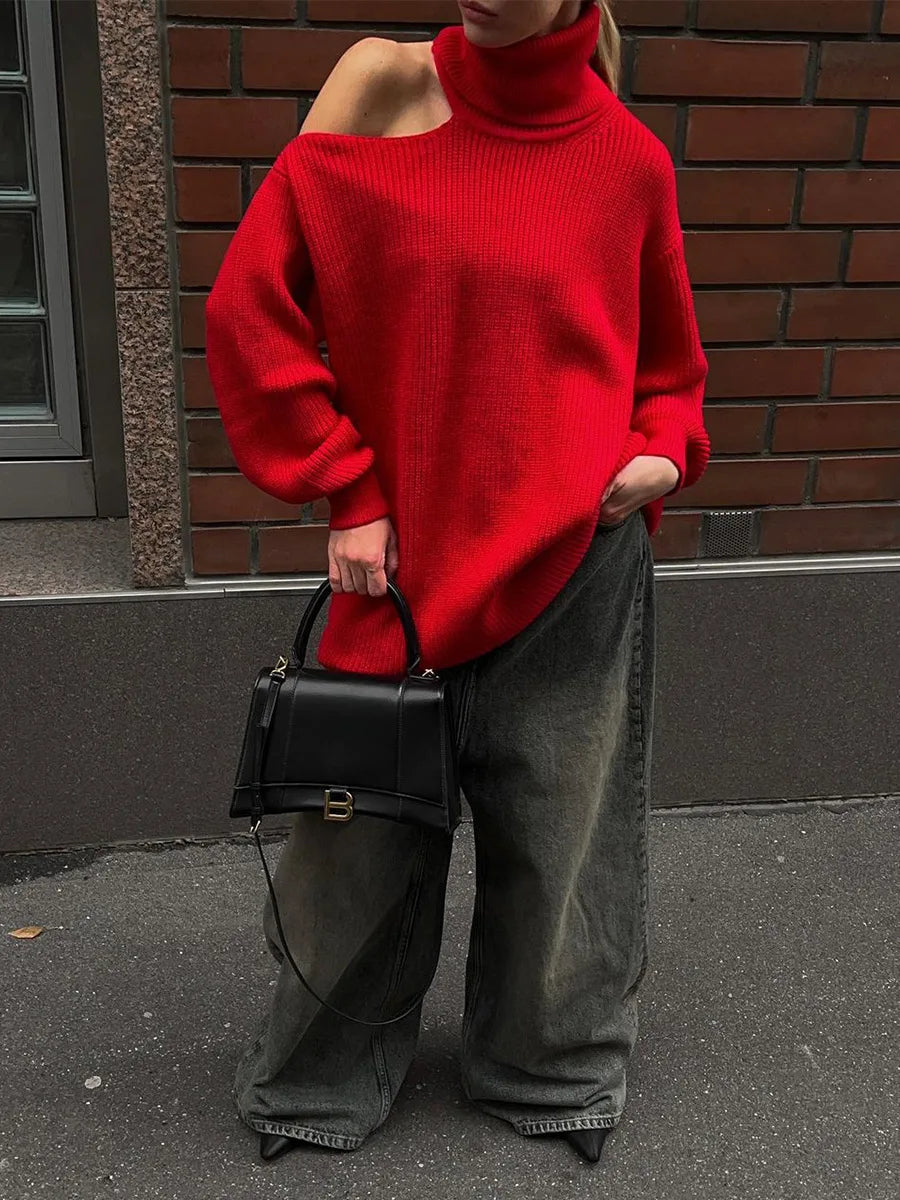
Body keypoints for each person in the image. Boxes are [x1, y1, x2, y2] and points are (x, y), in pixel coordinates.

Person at [205, 0, 710, 1168]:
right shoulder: (381, 91)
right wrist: (348, 487)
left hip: (578, 566)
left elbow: (668, 367)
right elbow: (249, 307)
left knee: (567, 842)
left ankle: (552, 1068)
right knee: (354, 842)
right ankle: (317, 1083)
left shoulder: (628, 160)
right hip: (398, 569)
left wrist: (663, 451)